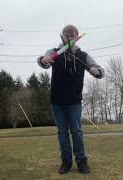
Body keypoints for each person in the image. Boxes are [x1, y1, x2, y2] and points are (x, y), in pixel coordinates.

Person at [37, 25, 105, 174]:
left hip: (74, 100)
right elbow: (43, 61)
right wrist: (44, 60)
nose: (70, 38)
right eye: (67, 35)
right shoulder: (54, 52)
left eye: (73, 36)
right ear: (63, 36)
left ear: (77, 36)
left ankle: (82, 162)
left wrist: (97, 71)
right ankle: (66, 162)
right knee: (62, 132)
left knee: (76, 131)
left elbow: (99, 69)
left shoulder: (83, 56)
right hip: (57, 100)